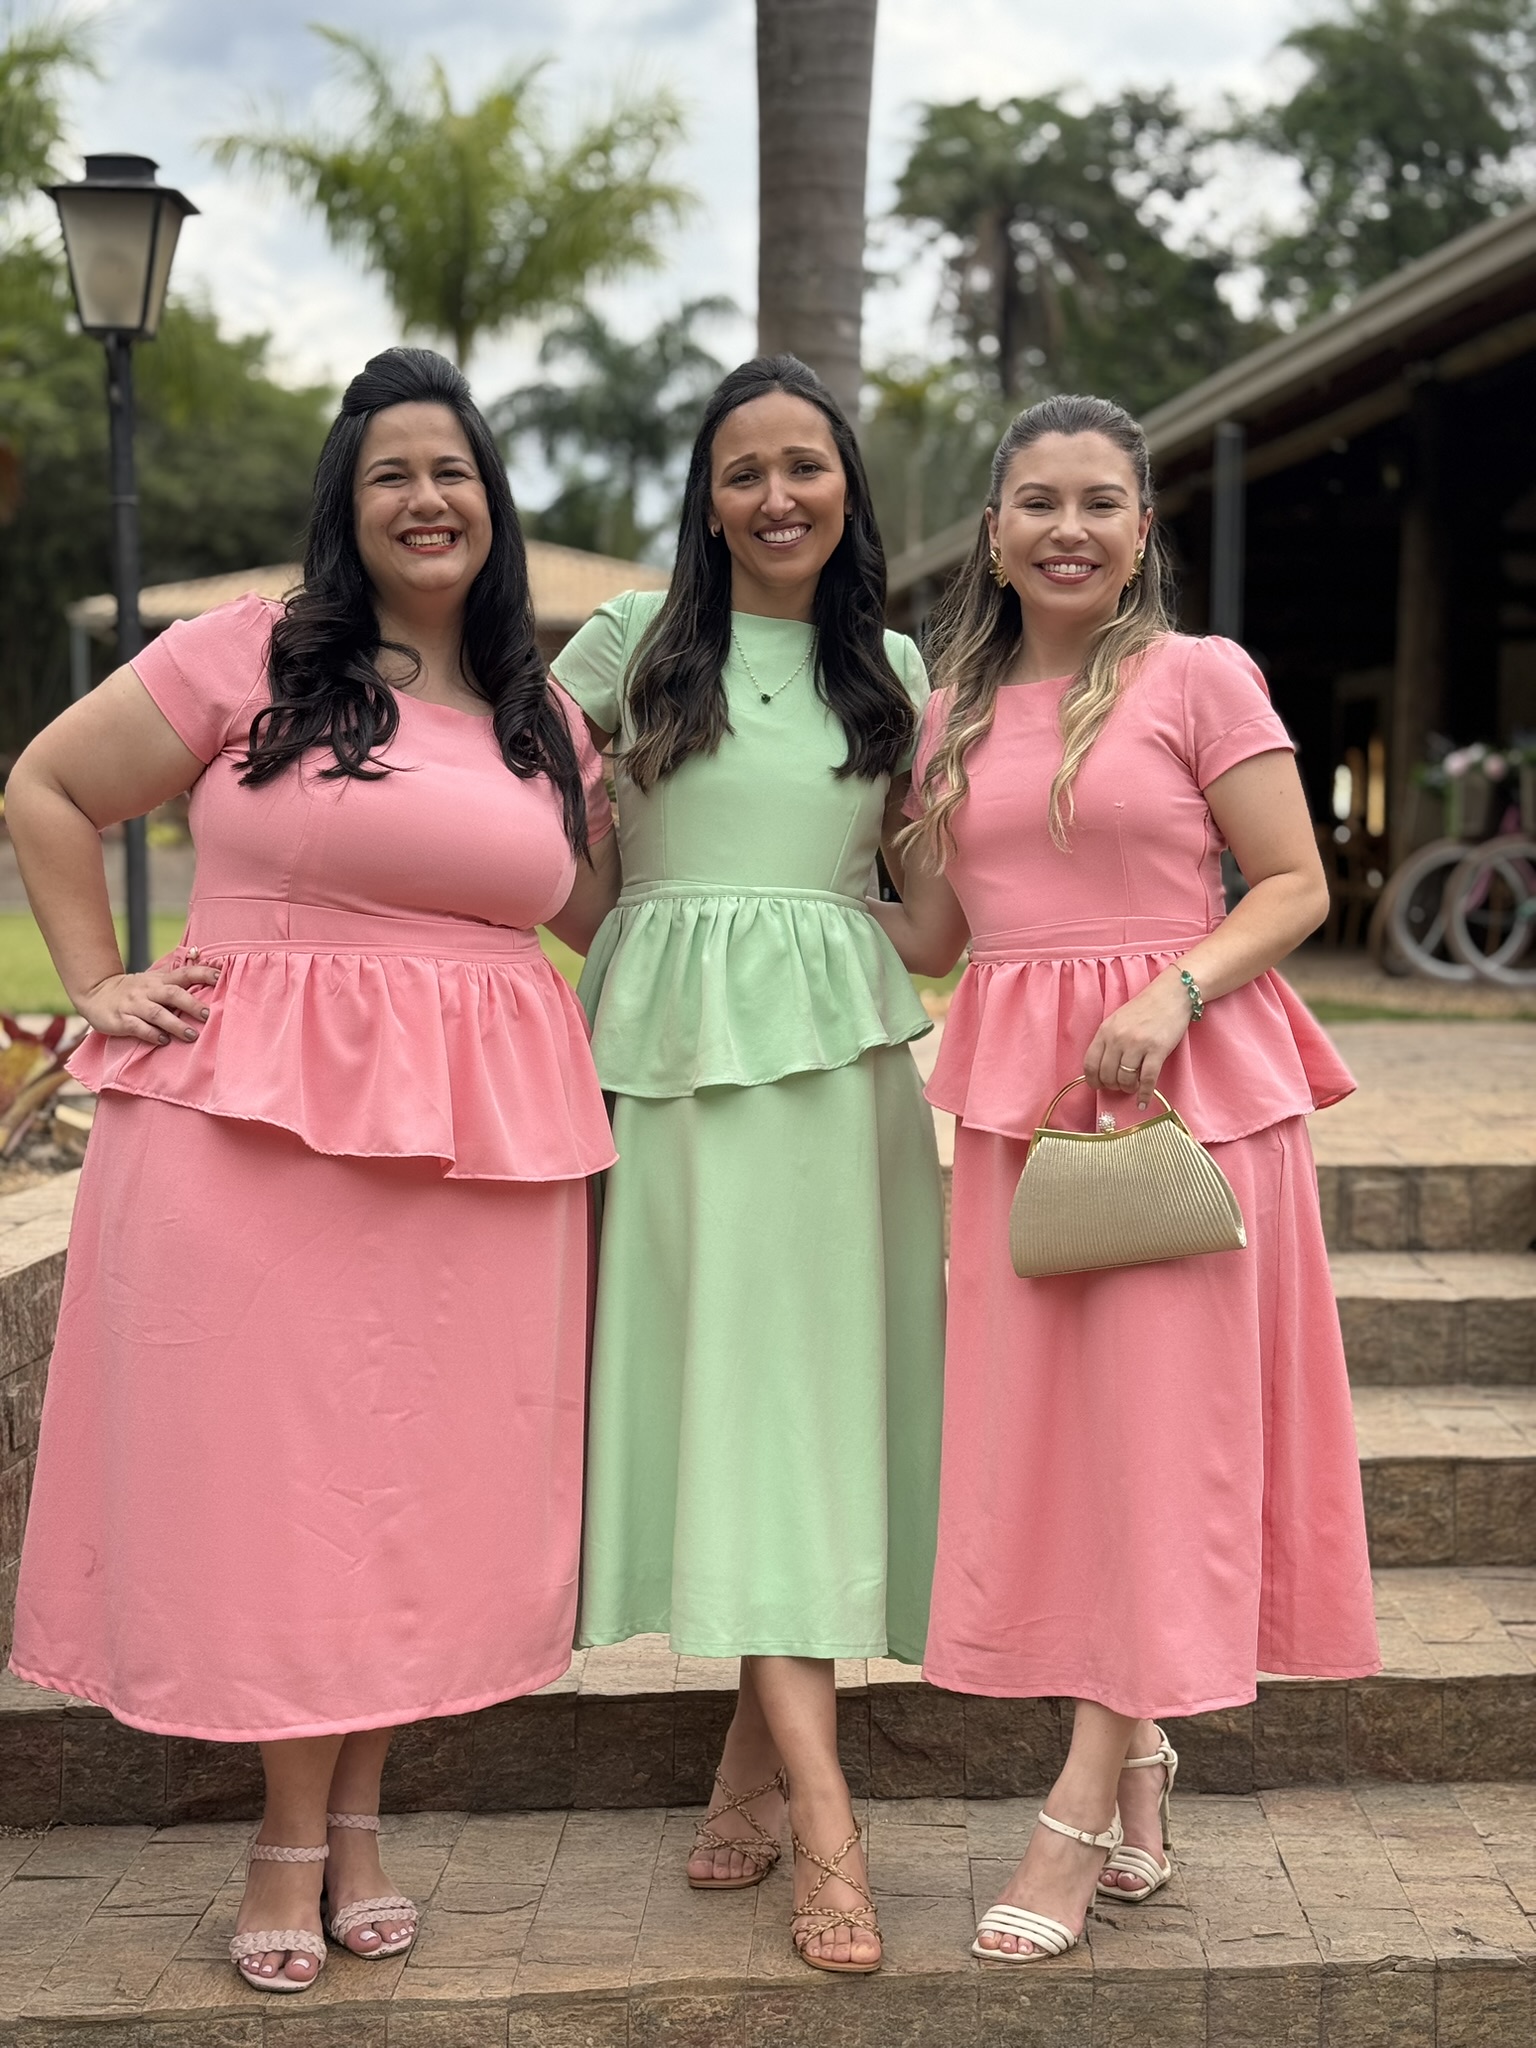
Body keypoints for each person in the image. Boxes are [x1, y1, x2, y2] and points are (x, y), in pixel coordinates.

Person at [6, 347, 619, 1994]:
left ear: (493, 503)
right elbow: (48, 787)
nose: (428, 500)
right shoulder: (252, 654)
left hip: (477, 1156)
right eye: (392, 474)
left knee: (411, 1493)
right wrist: (95, 982)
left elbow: (611, 917)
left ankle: (357, 1823)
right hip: (254, 1133)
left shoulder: (541, 718)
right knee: (289, 1492)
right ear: (347, 506)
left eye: (454, 471)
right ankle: (290, 1838)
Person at [873, 394, 1379, 1964]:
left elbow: (1295, 882)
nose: (1069, 528)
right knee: (1065, 1456)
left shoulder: (1199, 676)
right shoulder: (947, 718)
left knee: (1160, 1450)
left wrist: (1176, 986)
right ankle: (1143, 1761)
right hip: (1025, 1120)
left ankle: (1079, 1810)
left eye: (1100, 501)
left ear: (1143, 528)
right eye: (1038, 501)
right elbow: (934, 939)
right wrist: (724, 899)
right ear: (993, 533)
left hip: (1185, 1102)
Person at [551, 355, 946, 1975]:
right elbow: (509, 819)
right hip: (667, 1078)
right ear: (706, 501)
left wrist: (827, 923)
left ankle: (786, 1792)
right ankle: (803, 1794)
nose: (777, 496)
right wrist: (651, 930)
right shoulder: (628, 642)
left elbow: (935, 921)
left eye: (806, 466)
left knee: (800, 1420)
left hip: (837, 1089)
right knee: (735, 1410)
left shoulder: (897, 668)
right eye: (743, 472)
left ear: (847, 487)